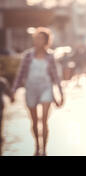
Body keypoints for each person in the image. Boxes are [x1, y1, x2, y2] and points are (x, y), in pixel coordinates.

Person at [11, 27, 64, 156]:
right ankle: (37, 145)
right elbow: (20, 74)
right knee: (34, 121)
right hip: (31, 89)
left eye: (41, 39)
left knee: (44, 120)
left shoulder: (50, 57)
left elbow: (55, 76)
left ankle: (44, 149)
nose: (38, 41)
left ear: (46, 41)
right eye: (36, 38)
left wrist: (61, 93)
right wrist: (13, 90)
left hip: (46, 88)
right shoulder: (28, 56)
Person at [0, 76, 14, 155]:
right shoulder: (2, 81)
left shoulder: (2, 81)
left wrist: (11, 97)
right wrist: (12, 97)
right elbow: (8, 92)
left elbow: (8, 91)